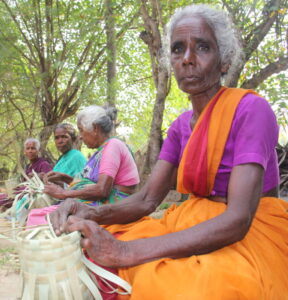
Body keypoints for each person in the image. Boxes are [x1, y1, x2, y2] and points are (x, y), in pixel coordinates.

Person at [49, 4, 288, 299]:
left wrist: (126, 251)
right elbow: (147, 200)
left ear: (224, 60)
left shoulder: (251, 109)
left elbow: (238, 218)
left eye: (202, 47)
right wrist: (91, 212)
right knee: (92, 245)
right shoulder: (178, 127)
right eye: (177, 49)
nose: (187, 59)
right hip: (192, 220)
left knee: (185, 286)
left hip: (251, 230)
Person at [43, 105, 140, 206]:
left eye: (81, 130)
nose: (80, 136)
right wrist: (64, 178)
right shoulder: (102, 150)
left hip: (115, 205)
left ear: (95, 129)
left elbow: (102, 190)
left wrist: (64, 193)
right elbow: (90, 184)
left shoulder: (113, 146)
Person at [0, 138, 52, 209]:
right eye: (28, 149)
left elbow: (49, 181)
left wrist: (38, 176)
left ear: (38, 150)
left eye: (33, 148)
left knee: (4, 201)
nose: (30, 151)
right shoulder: (28, 166)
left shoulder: (44, 164)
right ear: (25, 151)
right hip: (21, 192)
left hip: (32, 196)